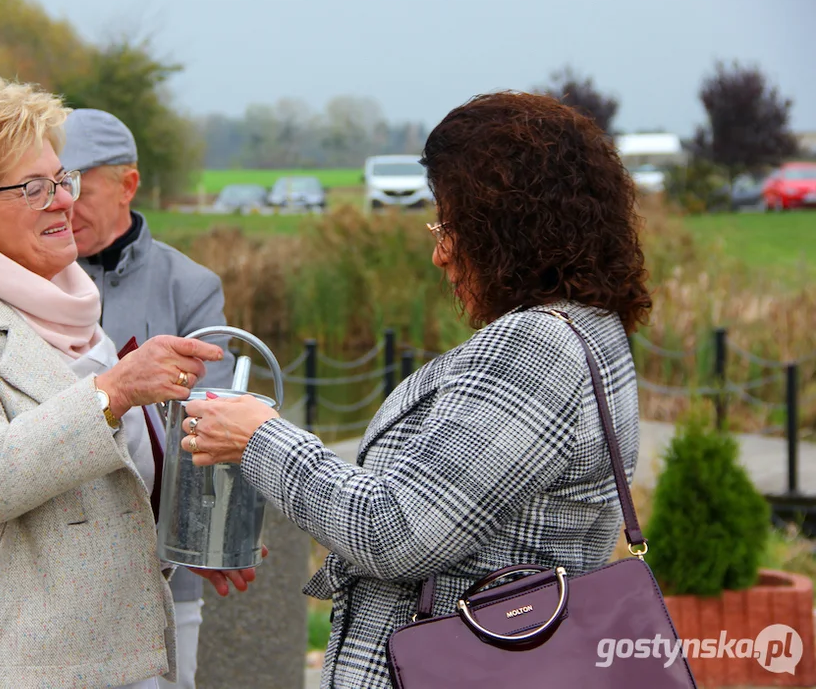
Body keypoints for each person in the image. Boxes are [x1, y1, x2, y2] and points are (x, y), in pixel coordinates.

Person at [175, 91, 654, 687]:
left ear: (510, 230)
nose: (439, 254)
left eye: (452, 226)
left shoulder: (536, 348)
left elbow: (394, 532)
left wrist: (261, 439)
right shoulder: (590, 330)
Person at [0, 77, 256, 689]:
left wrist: (186, 537)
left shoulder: (68, 315)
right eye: (34, 188)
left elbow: (101, 489)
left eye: (63, 179)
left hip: (111, 655)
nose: (64, 200)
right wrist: (113, 392)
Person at [60, 108, 235, 689]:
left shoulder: (189, 286)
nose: (64, 201)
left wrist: (206, 536)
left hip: (162, 572)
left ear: (128, 184)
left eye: (79, 182)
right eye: (54, 183)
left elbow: (212, 420)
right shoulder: (34, 282)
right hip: (51, 571)